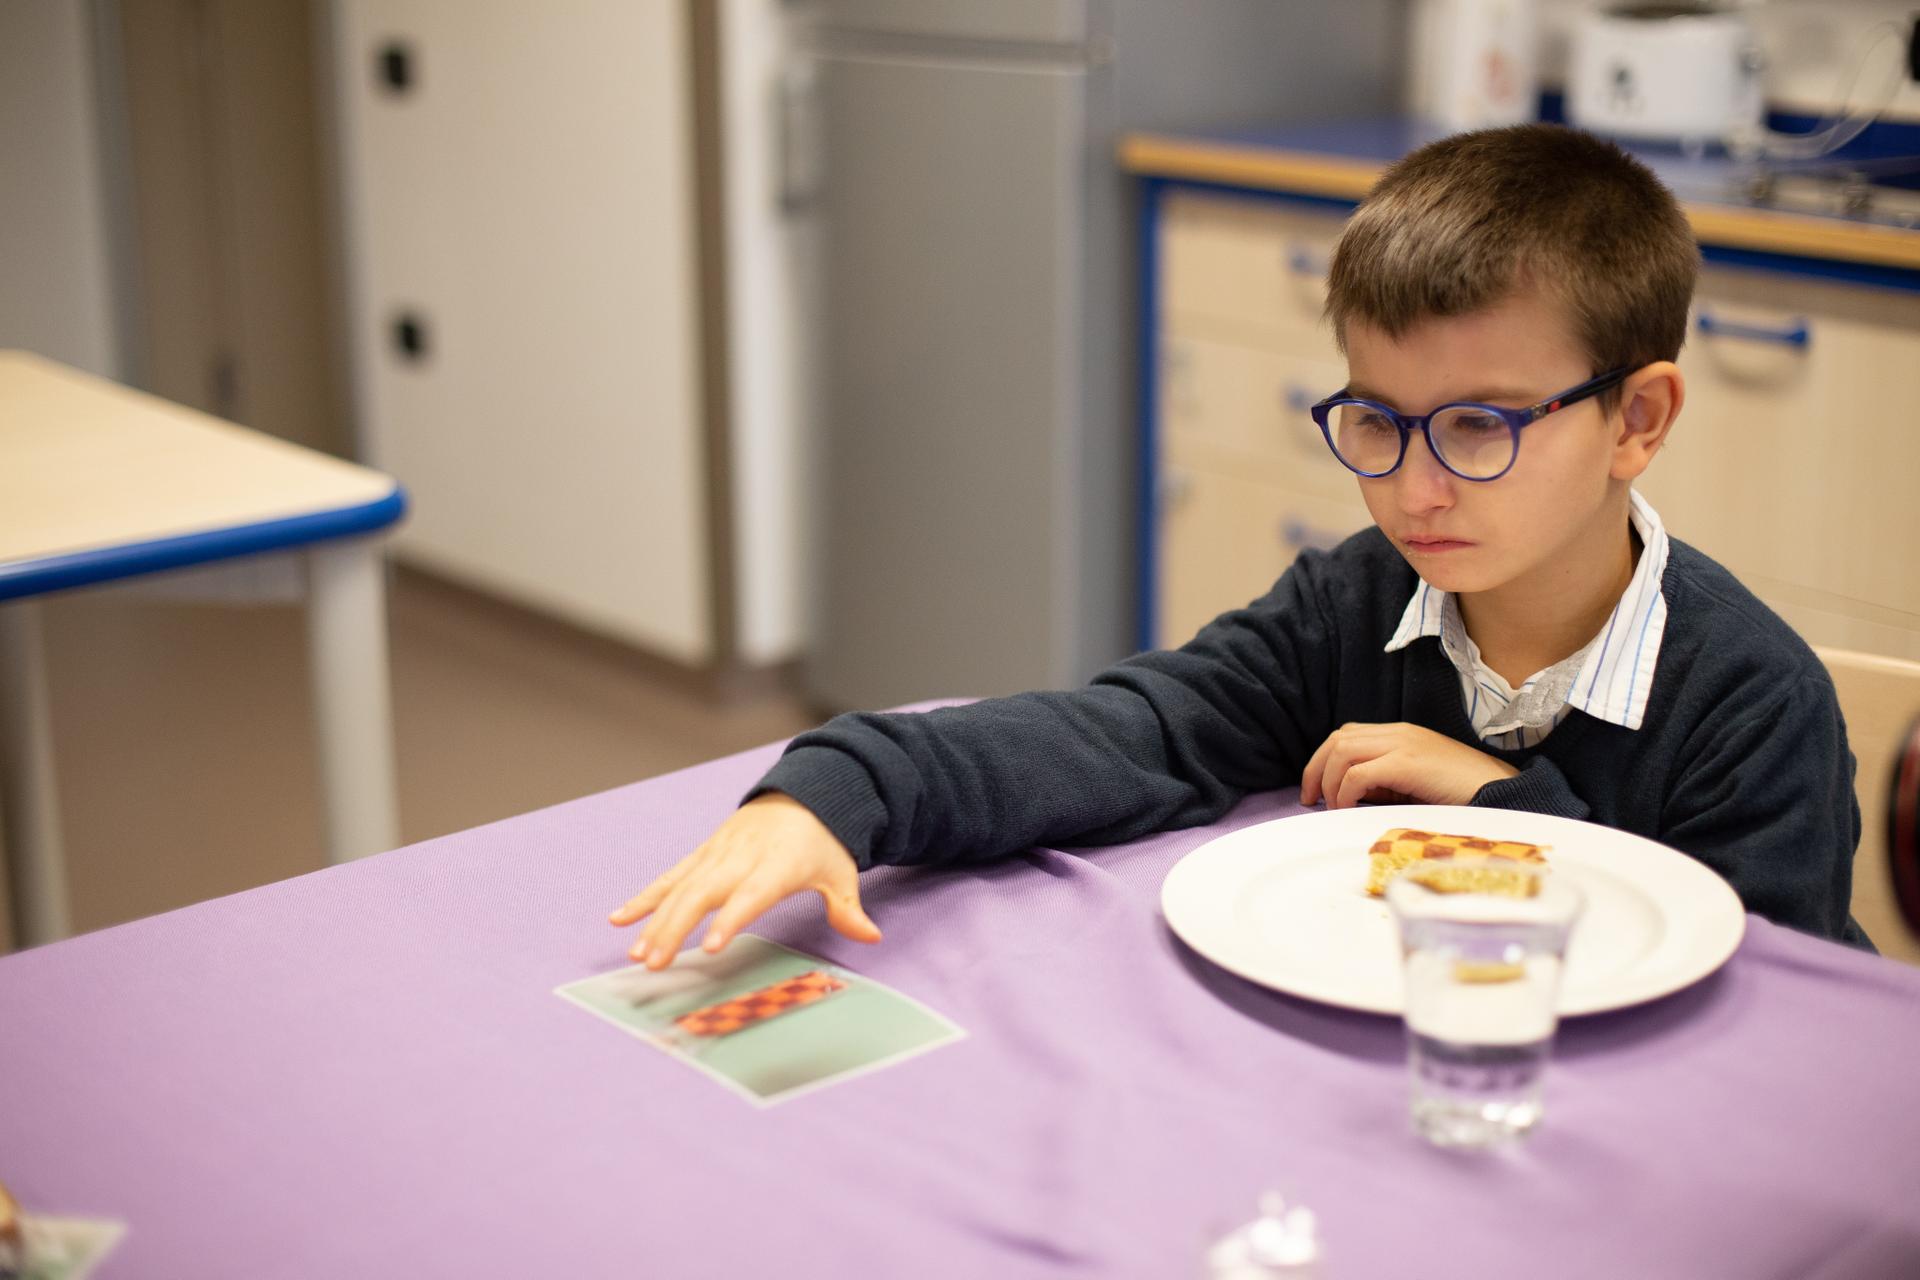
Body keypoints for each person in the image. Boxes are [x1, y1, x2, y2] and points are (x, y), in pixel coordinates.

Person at [611, 123, 1869, 967]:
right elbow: (1143, 727)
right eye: (1378, 420)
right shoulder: (1355, 603)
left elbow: (1756, 1005)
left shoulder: (1750, 696)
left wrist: (1495, 807)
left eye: (1479, 425)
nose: (1415, 486)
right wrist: (843, 790)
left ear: (1635, 419)